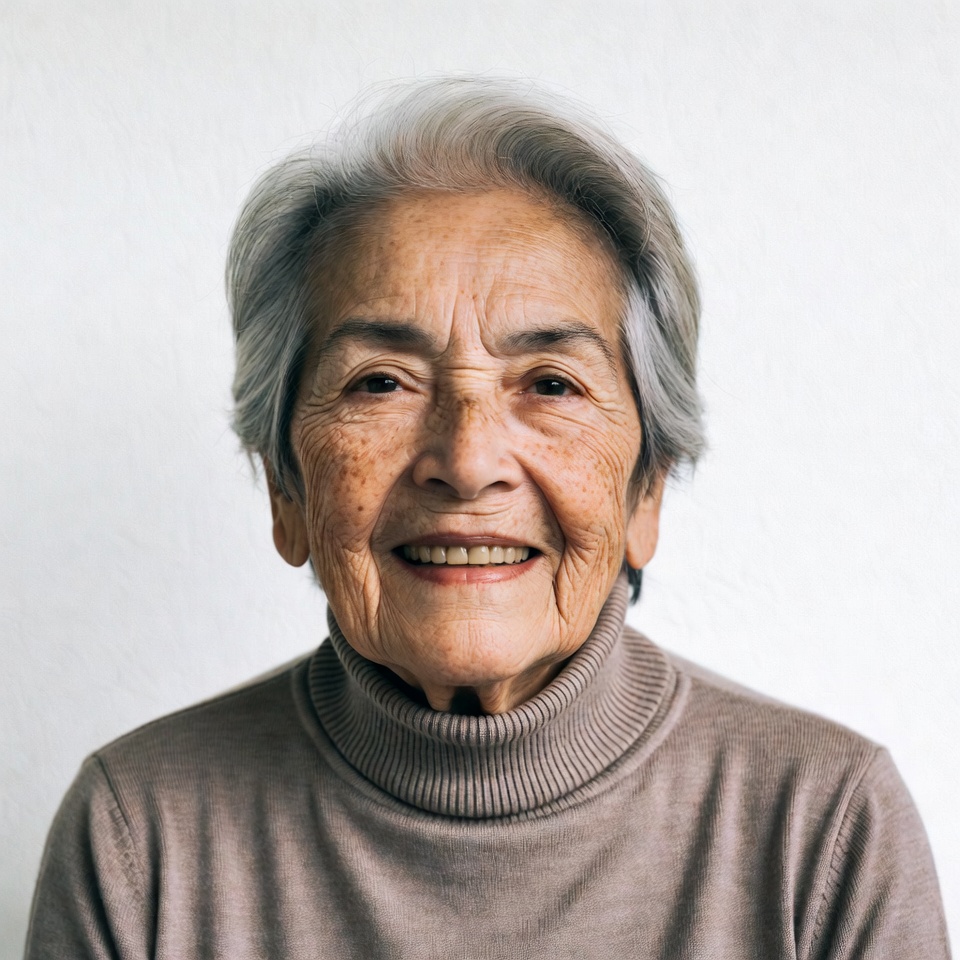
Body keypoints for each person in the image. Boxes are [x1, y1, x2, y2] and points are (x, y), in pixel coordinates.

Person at [25, 78, 950, 959]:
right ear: (286, 491)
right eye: (380, 383)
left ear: (648, 489)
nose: (467, 462)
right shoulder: (140, 838)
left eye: (550, 384)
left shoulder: (824, 829)